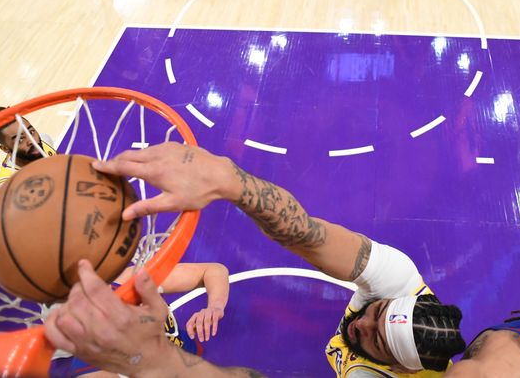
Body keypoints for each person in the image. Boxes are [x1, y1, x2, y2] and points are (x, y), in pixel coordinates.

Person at [45, 142, 467, 377]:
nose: (363, 323)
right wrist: (230, 181)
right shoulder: (401, 279)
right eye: (378, 313)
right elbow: (308, 235)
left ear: (401, 370)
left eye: (376, 338)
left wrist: (162, 365)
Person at [61, 262, 230, 377]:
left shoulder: (129, 280)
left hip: (191, 352)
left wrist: (215, 307)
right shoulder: (95, 364)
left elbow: (213, 270)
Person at [0, 105, 57, 188]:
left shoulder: (45, 140)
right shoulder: (6, 187)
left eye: (31, 131)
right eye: (20, 140)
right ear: (5, 149)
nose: (31, 141)